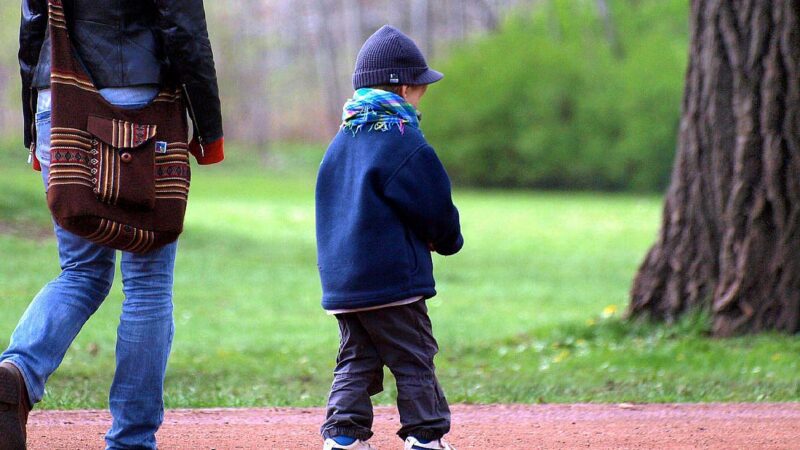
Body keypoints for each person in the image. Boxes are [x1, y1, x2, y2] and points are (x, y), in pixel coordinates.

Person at [0, 1, 224, 449]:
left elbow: (33, 27)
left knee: (81, 271)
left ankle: (16, 374)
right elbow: (183, 28)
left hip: (59, 103)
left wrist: (34, 127)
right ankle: (131, 441)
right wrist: (209, 126)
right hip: (141, 105)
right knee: (148, 285)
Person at [315, 25, 463, 450]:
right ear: (404, 86)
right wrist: (447, 239)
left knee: (356, 358)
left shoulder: (341, 140)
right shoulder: (402, 139)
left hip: (344, 281)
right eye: (421, 87)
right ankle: (425, 436)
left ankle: (342, 438)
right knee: (413, 355)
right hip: (393, 280)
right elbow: (432, 203)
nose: (423, 96)